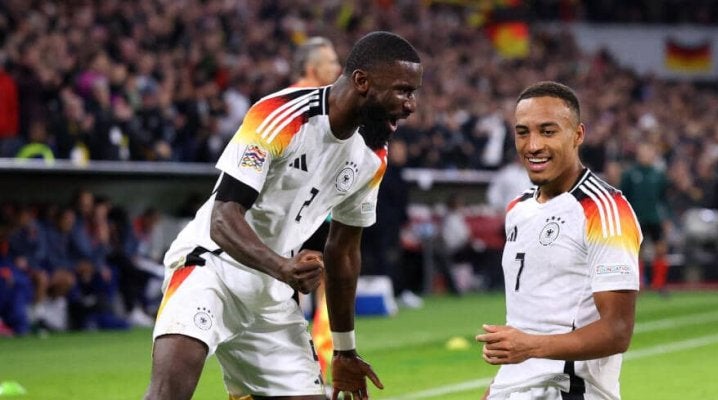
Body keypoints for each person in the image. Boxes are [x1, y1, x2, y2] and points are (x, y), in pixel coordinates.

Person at [144, 31, 422, 400]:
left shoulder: (373, 157)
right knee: (168, 393)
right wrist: (282, 267)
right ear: (362, 81)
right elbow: (223, 217)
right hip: (209, 267)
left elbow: (343, 252)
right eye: (403, 91)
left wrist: (344, 350)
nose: (411, 105)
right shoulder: (280, 115)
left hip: (273, 293)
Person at [476, 82, 642, 399]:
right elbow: (526, 325)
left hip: (568, 390)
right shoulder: (518, 209)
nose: (533, 145)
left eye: (548, 132)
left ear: (578, 135)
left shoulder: (605, 210)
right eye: (522, 132)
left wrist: (529, 347)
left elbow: (618, 331)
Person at [289, 35, 345, 382]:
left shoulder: (326, 104)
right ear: (312, 68)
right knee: (302, 285)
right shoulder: (299, 105)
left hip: (315, 212)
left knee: (317, 284)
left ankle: (314, 369)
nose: (338, 67)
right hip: (295, 216)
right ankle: (306, 370)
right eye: (331, 62)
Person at [620, 142, 671, 293]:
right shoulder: (630, 174)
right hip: (636, 218)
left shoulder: (658, 175)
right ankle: (638, 283)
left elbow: (664, 199)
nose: (646, 156)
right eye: (643, 152)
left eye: (648, 152)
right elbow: (622, 197)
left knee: (661, 249)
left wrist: (666, 218)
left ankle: (659, 284)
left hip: (655, 218)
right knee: (637, 251)